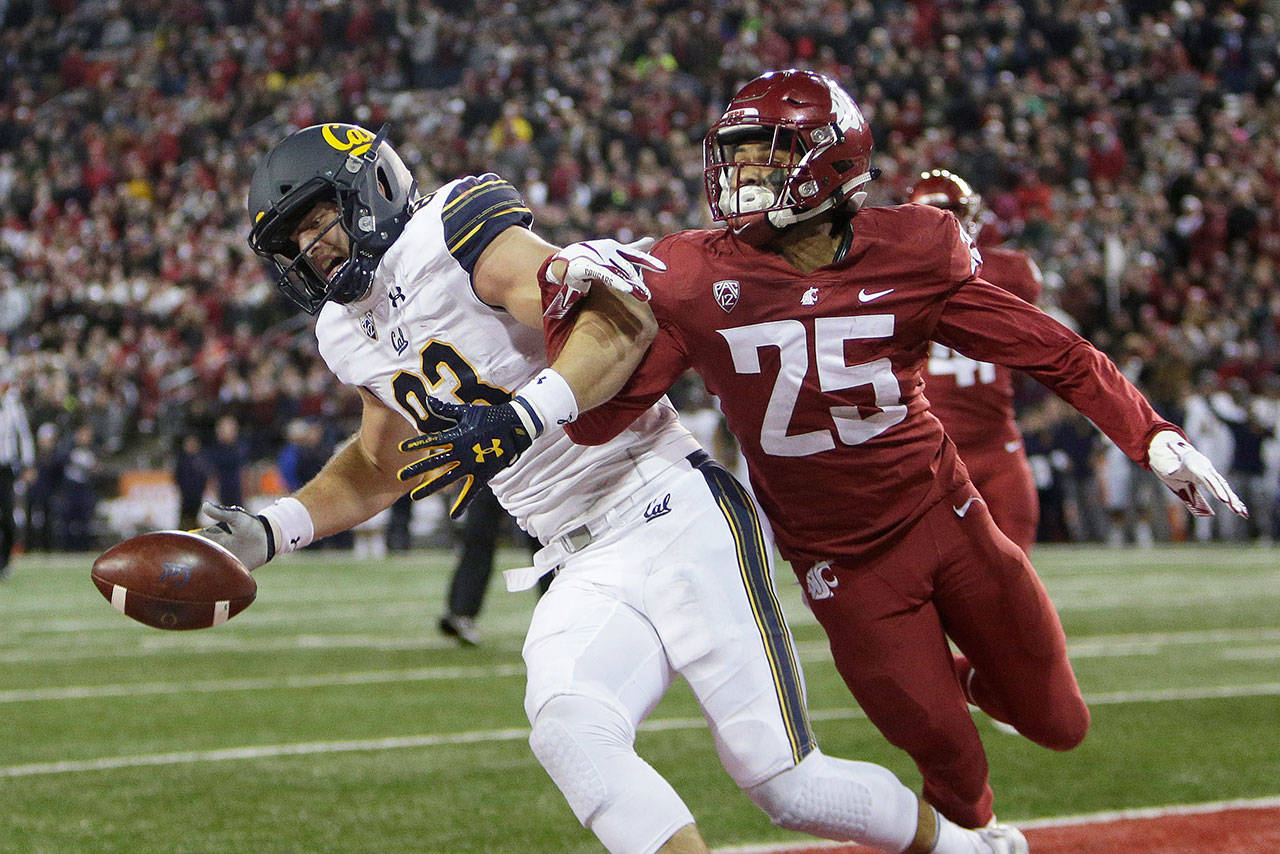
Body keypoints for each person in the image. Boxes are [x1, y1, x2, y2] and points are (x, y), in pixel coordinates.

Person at [405, 70, 1249, 832]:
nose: (740, 178)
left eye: (764, 159)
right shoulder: (694, 273)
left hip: (946, 518)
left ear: (828, 163)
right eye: (734, 157)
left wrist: (1156, 437)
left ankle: (968, 681)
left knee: (1061, 724)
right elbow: (600, 418)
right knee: (953, 774)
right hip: (844, 570)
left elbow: (1054, 352)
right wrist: (566, 310)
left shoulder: (917, 245)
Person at [195, 123, 1021, 854]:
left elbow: (614, 315)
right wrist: (272, 531)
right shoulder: (344, 330)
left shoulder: (454, 229)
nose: (313, 249)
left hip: (661, 501)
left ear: (369, 190)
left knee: (784, 784)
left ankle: (969, 848)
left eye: (318, 220)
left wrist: (526, 412)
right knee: (570, 728)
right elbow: (382, 461)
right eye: (292, 240)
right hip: (570, 554)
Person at [908, 170, 1041, 554]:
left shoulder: (1003, 271)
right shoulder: (896, 274)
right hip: (934, 450)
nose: (953, 225)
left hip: (997, 442)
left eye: (957, 214)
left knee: (1017, 566)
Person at [0, 366, 35, 579]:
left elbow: (24, 436)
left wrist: (28, 464)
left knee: (7, 516)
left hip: (5, 468)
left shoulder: (13, 406)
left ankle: (4, 562)